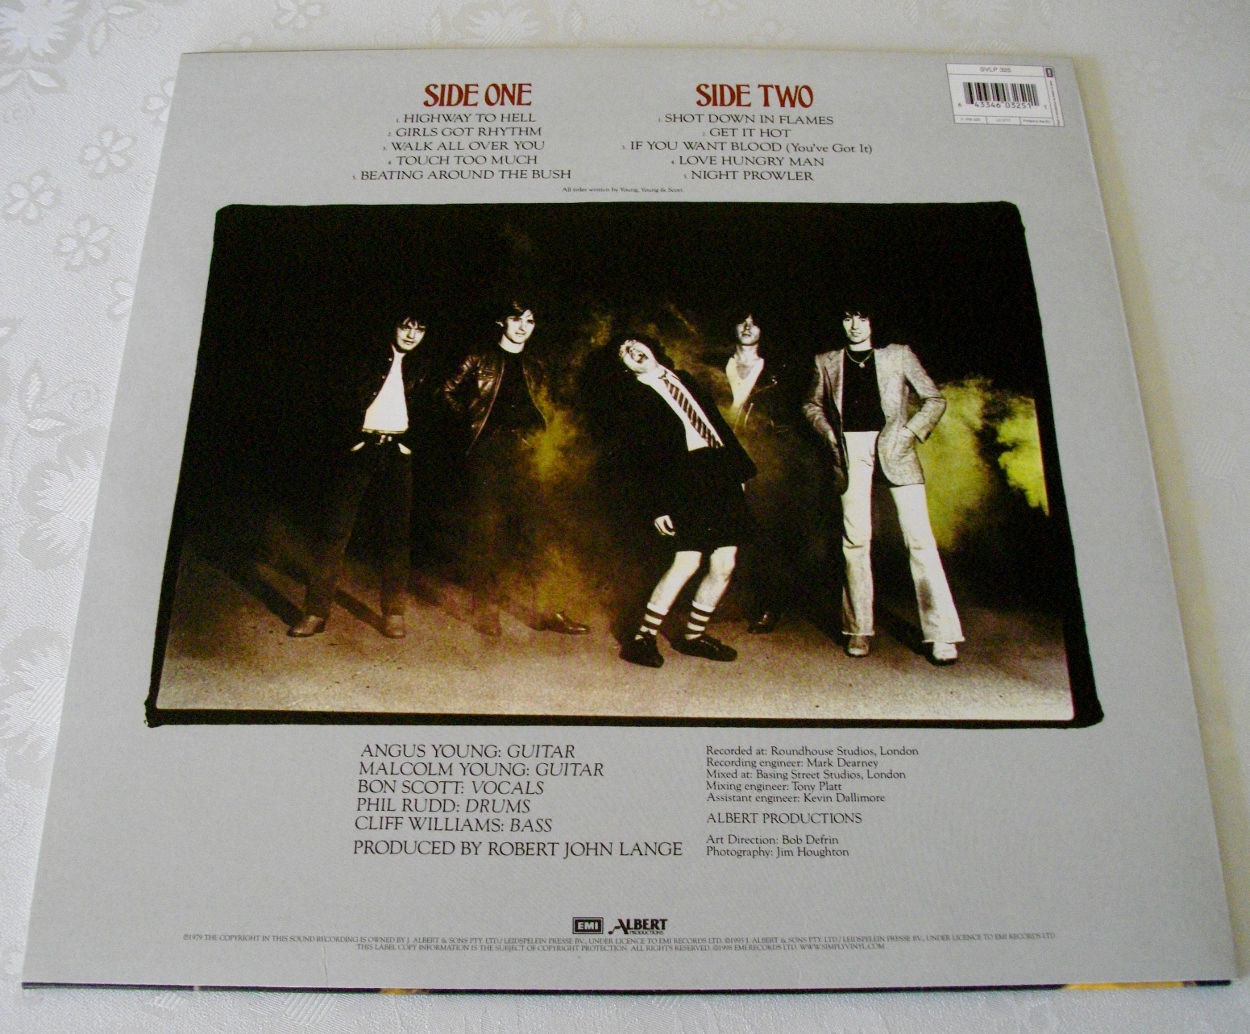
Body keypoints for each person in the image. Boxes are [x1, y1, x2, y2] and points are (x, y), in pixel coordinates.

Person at [802, 306, 963, 664]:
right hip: (849, 451)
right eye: (847, 318)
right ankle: (858, 628)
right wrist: (829, 434)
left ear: (874, 321)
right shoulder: (826, 361)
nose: (855, 326)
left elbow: (934, 399)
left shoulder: (899, 355)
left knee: (919, 540)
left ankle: (941, 634)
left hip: (896, 447)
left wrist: (909, 433)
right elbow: (811, 405)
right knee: (855, 541)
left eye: (862, 318)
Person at [441, 299, 589, 638]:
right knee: (488, 532)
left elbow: (547, 406)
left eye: (530, 321)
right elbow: (446, 392)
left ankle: (549, 610)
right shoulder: (479, 358)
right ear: (501, 322)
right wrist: (472, 424)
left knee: (538, 534)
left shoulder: (536, 366)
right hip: (489, 453)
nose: (523, 327)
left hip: (529, 453)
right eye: (516, 319)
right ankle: (486, 609)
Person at [612, 335, 757, 668]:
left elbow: (716, 424)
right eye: (624, 352)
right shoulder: (632, 397)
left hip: (719, 468)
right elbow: (639, 459)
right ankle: (642, 638)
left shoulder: (684, 378)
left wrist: (738, 471)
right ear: (625, 366)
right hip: (683, 477)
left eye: (635, 344)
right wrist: (657, 507)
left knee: (725, 563)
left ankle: (693, 636)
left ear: (652, 348)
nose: (632, 351)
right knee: (687, 560)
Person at [289, 314, 433, 639]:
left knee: (396, 535)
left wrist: (410, 443)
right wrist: (352, 437)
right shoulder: (365, 357)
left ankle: (393, 613)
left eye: (419, 329)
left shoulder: (425, 367)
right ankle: (315, 612)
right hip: (361, 448)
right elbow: (334, 399)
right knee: (335, 531)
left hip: (398, 452)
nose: (411, 334)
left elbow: (432, 411)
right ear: (393, 326)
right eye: (406, 326)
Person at [721, 312, 822, 634]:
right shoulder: (714, 367)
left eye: (755, 322)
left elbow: (789, 418)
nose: (748, 326)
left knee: (763, 534)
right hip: (719, 455)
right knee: (720, 529)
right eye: (742, 320)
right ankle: (721, 599)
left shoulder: (779, 372)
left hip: (761, 458)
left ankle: (767, 604)